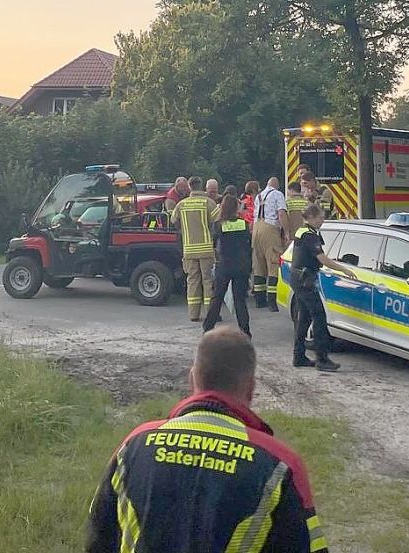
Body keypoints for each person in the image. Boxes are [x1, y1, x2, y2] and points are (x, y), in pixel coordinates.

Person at [86, 327, 328, 553]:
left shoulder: (134, 446)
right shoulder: (279, 464)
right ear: (251, 388)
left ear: (192, 380)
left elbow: (98, 539)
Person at [290, 204, 356, 372]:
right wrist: (344, 269)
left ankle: (298, 356)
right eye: (320, 217)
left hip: (299, 278)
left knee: (304, 318)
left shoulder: (302, 231)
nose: (323, 220)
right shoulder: (310, 236)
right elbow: (322, 258)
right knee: (319, 316)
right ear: (311, 217)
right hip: (305, 280)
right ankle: (322, 358)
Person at [171, 176, 220, 321]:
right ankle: (210, 314)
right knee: (207, 281)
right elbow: (218, 221)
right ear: (201, 186)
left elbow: (174, 221)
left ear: (190, 187)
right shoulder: (208, 203)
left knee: (192, 281)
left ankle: (193, 314)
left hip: (189, 249)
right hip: (206, 249)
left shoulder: (181, 204)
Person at [203, 194, 252, 337]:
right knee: (240, 301)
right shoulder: (244, 224)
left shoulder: (218, 225)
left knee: (217, 298)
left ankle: (208, 329)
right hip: (241, 265)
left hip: (224, 265)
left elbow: (214, 244)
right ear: (236, 207)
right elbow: (248, 245)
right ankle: (245, 332)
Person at [252, 177, 289, 311]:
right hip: (270, 228)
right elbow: (281, 213)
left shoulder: (258, 197)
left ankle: (259, 299)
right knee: (273, 263)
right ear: (277, 186)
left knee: (258, 264)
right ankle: (273, 302)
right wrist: (286, 231)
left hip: (256, 229)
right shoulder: (278, 194)